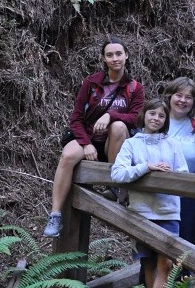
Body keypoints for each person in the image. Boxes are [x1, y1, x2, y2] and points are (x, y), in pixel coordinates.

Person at [43, 38, 145, 238]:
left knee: (118, 126)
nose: (115, 58)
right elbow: (76, 118)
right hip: (89, 138)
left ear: (126, 55)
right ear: (103, 59)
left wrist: (110, 115)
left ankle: (113, 184)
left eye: (118, 53)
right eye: (109, 55)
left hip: (114, 144)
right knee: (67, 155)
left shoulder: (135, 87)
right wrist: (86, 143)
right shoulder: (91, 83)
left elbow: (135, 119)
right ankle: (55, 214)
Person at [110, 99, 188, 288]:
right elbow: (117, 173)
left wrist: (168, 177)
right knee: (148, 263)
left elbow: (183, 174)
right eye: (152, 114)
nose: (156, 118)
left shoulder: (172, 144)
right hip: (141, 213)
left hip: (168, 211)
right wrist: (147, 167)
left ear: (166, 121)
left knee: (166, 262)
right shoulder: (132, 144)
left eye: (161, 116)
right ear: (144, 115)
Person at [161, 77, 195, 249]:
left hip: (189, 196)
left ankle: (184, 278)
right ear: (169, 96)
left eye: (188, 97)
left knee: (187, 249)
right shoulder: (157, 120)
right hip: (159, 195)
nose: (182, 101)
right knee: (156, 250)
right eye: (179, 95)